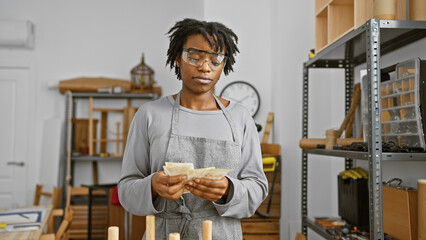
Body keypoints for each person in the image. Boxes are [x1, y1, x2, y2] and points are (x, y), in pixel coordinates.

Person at [118, 18, 268, 240]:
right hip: (163, 234)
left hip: (222, 233)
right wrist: (152, 185)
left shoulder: (240, 117)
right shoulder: (149, 114)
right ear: (178, 58)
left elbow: (257, 187)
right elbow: (126, 190)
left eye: (215, 60)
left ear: (223, 64)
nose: (205, 67)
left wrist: (229, 190)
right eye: (194, 57)